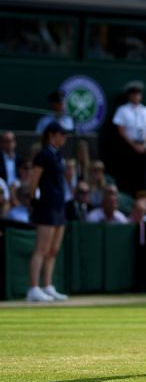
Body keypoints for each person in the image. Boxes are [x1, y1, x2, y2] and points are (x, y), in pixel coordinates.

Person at [26, 122, 69, 302]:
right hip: (46, 206)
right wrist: (34, 200)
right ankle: (33, 288)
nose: (64, 138)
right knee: (41, 249)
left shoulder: (58, 156)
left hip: (59, 206)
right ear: (52, 135)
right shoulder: (43, 155)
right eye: (62, 134)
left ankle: (48, 286)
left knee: (53, 249)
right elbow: (34, 180)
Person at [112, 80, 146, 194]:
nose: (136, 96)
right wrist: (133, 145)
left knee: (141, 177)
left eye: (138, 93)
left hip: (143, 148)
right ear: (129, 95)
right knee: (127, 176)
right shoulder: (123, 110)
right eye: (134, 93)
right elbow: (121, 130)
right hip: (128, 148)